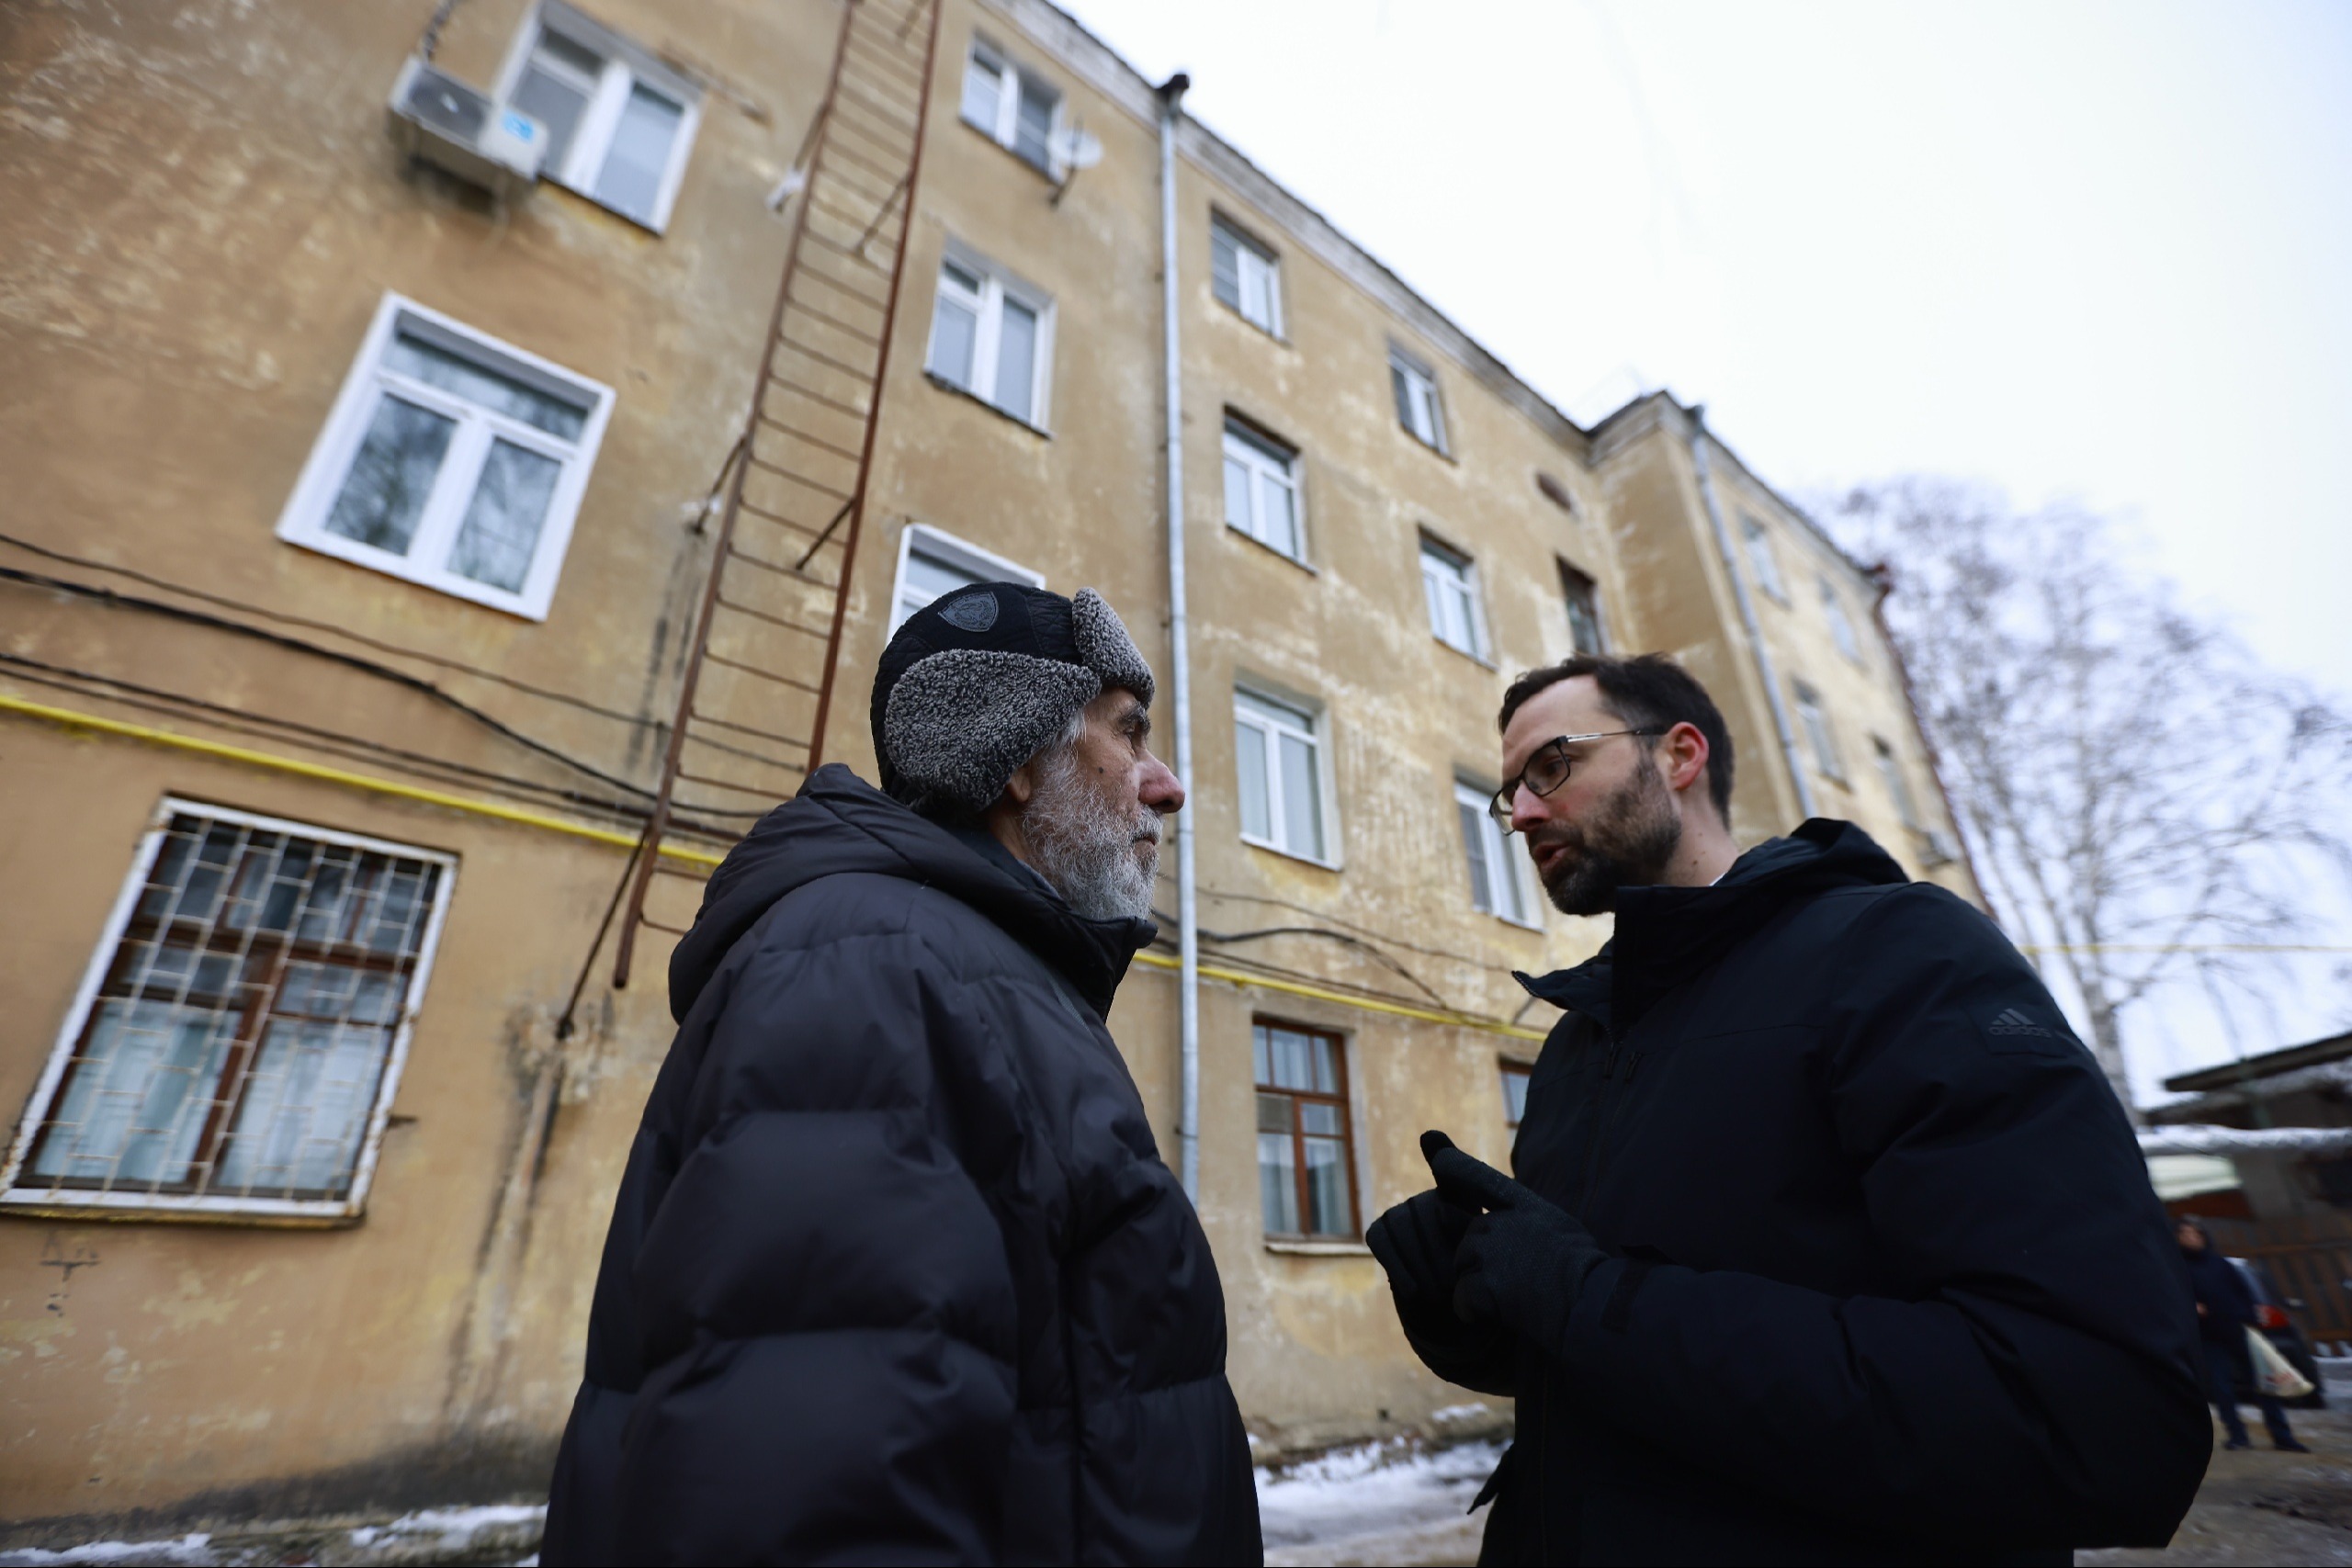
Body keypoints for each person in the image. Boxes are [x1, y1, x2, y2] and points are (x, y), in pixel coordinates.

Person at [1366, 652, 2210, 1564]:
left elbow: (2093, 1422)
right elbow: (1637, 1369)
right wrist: (1486, 1316)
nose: (1522, 812)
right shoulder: (1583, 1039)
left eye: (1551, 766)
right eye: (1508, 794)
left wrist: (1586, 1302)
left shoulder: (1897, 954)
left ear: (1679, 755)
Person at [542, 583, 1261, 1565]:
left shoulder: (965, 970)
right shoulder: (882, 963)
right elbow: (814, 1477)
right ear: (1013, 758)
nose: (1165, 783)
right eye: (1128, 735)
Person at [2178, 1215, 2309, 1452]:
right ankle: (2237, 1436)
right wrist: (2191, 1306)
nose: (2192, 1238)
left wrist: (2249, 1317)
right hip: (2209, 1337)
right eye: (2185, 1234)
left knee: (2263, 1384)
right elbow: (2174, 1299)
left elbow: (2244, 1293)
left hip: (2239, 1331)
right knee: (2222, 1388)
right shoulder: (2178, 1269)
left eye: (2196, 1233)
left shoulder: (2221, 1264)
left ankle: (2282, 1437)